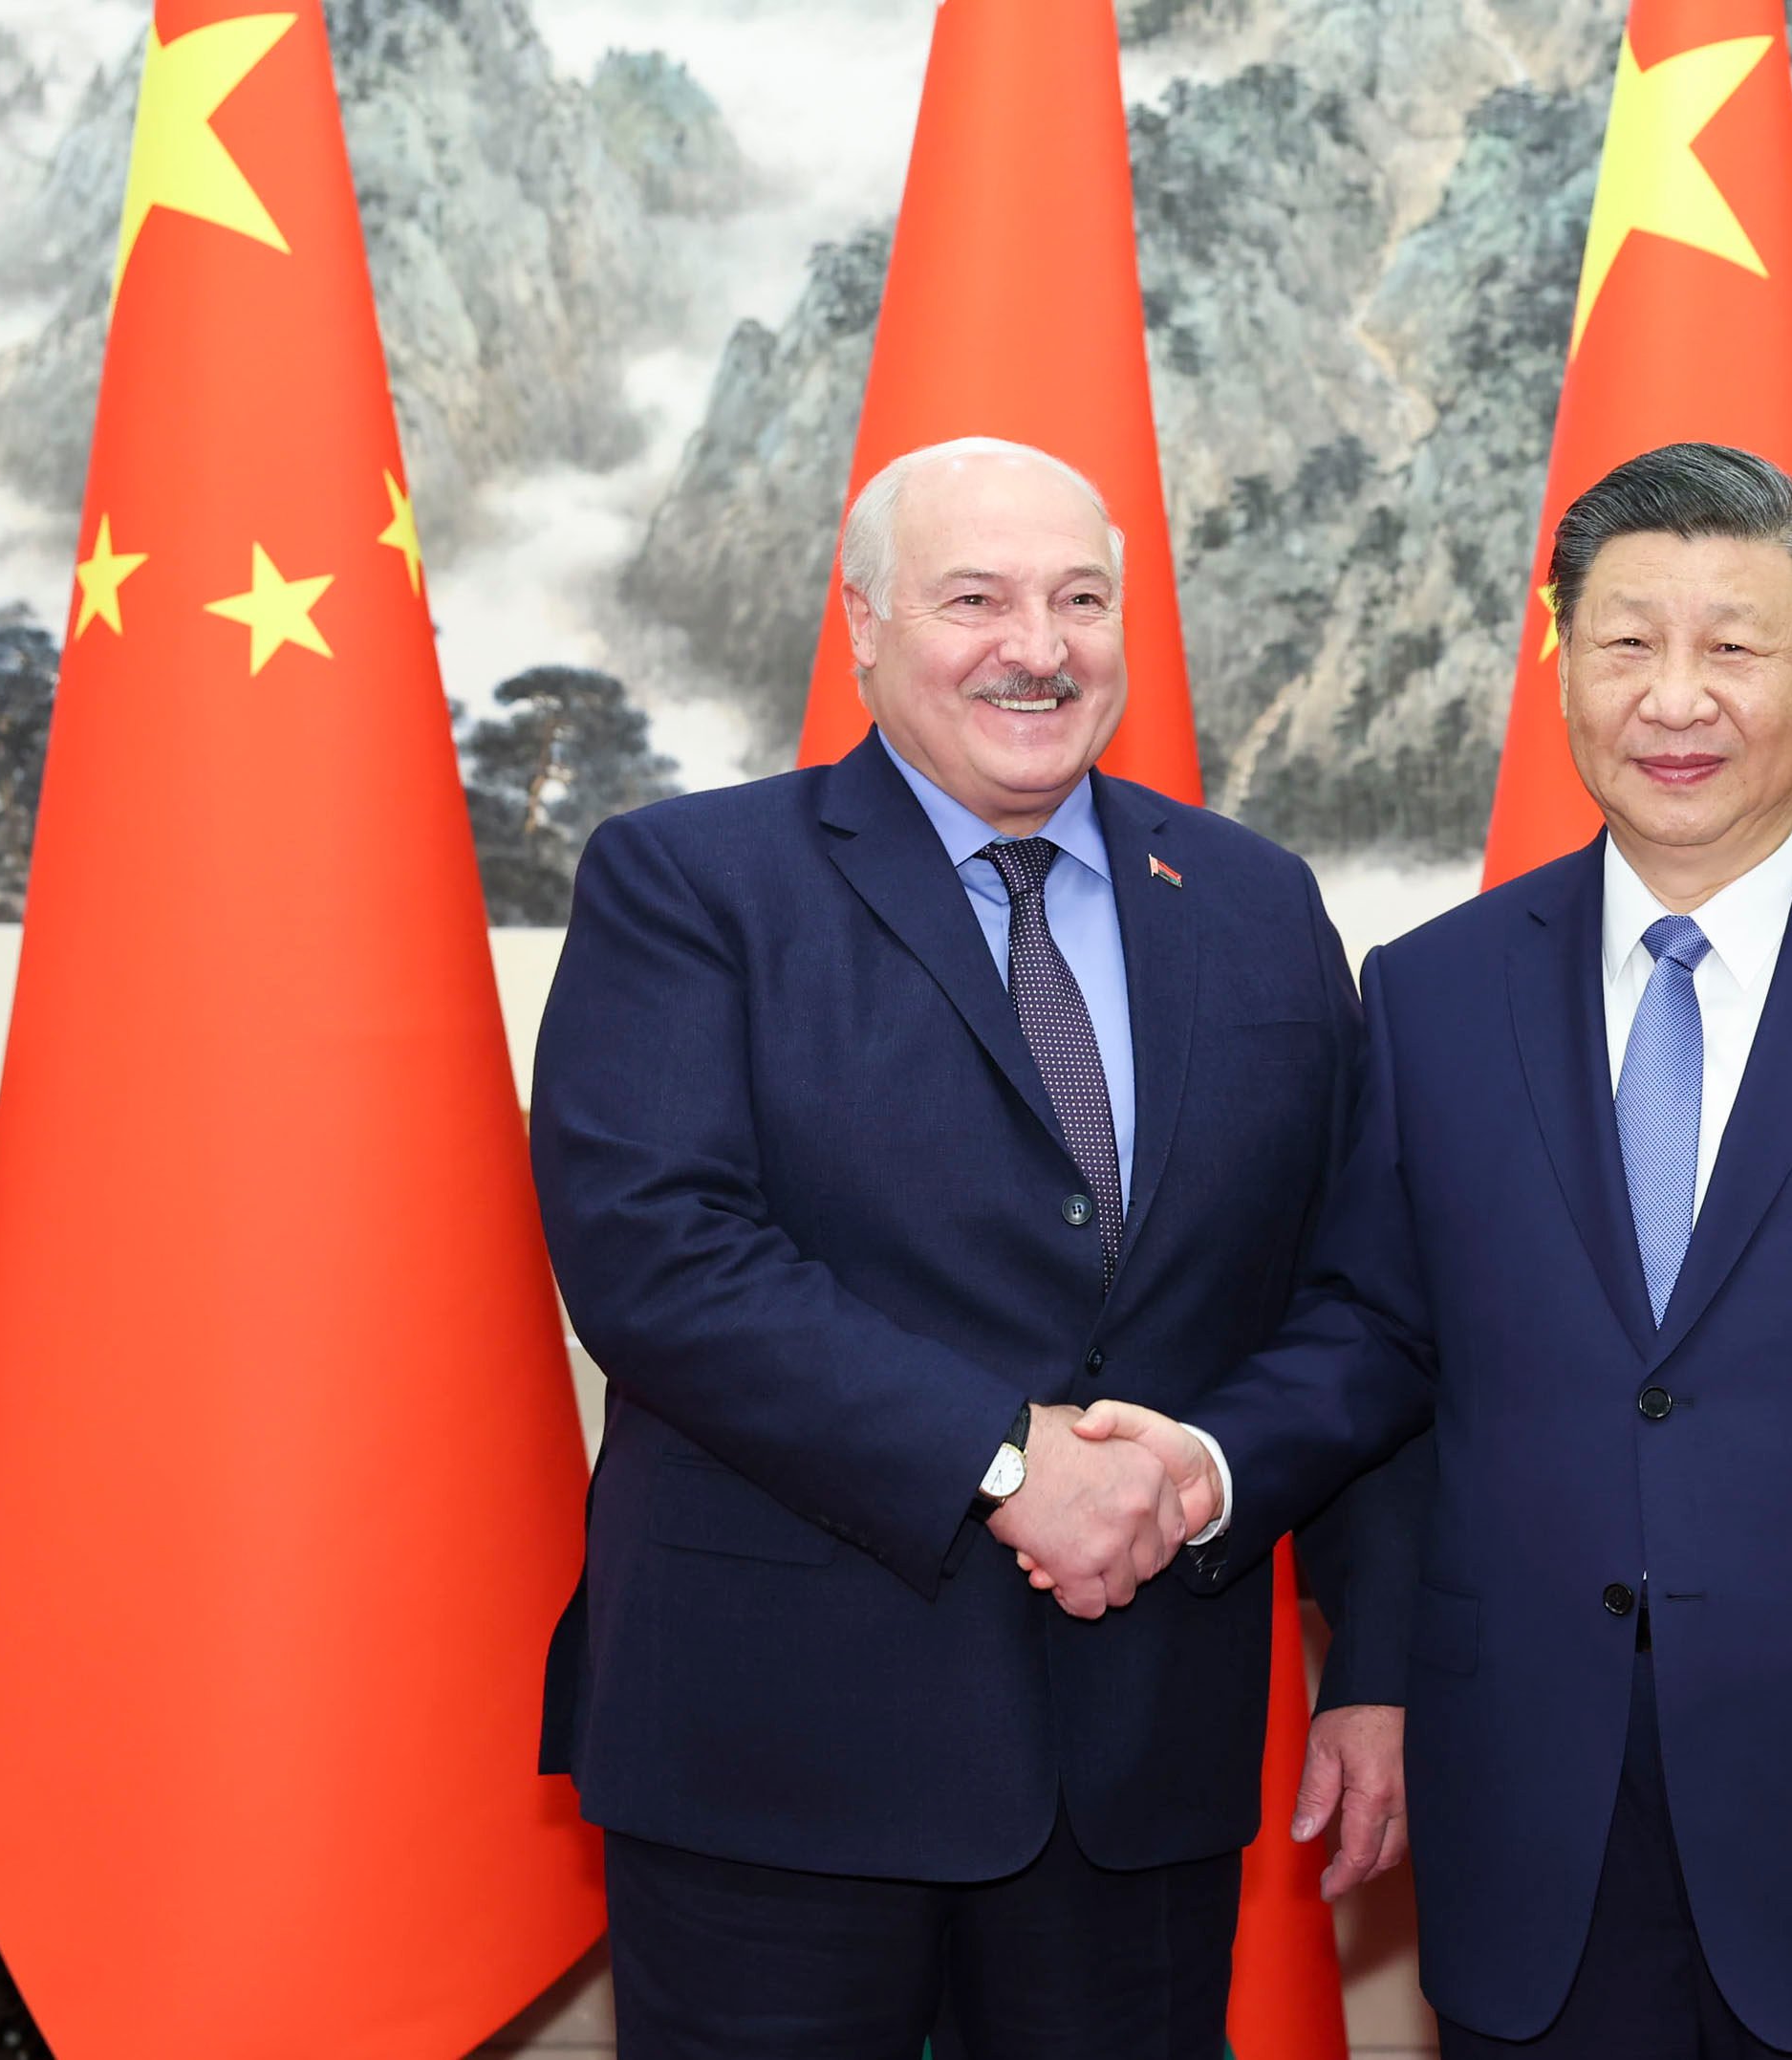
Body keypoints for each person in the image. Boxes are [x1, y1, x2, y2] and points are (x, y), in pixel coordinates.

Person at [1055, 444, 1792, 2057]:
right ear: (1561, 663)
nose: (1675, 698)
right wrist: (1323, 1610)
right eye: (1624, 643)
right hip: (1529, 1800)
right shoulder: (1434, 991)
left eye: (1733, 647)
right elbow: (1387, 1355)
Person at [529, 437, 1422, 2059]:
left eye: (1080, 597)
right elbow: (658, 1257)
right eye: (975, 598)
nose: (1037, 644)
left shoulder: (1252, 902)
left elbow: (1362, 1301)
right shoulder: (691, 882)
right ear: (860, 624)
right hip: (776, 1756)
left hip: (1142, 1758)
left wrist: (1236, 1503)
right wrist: (1011, 1464)